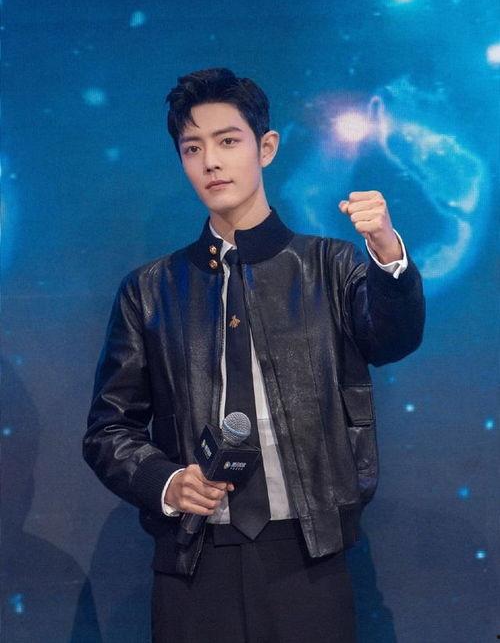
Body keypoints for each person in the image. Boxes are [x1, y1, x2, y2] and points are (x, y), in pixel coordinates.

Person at [83, 67, 425, 642]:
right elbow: (107, 429)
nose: (211, 162)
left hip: (309, 555)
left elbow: (394, 339)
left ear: (265, 148)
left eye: (227, 141)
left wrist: (387, 253)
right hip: (195, 560)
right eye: (193, 148)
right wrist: (167, 482)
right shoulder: (150, 290)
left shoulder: (331, 267)